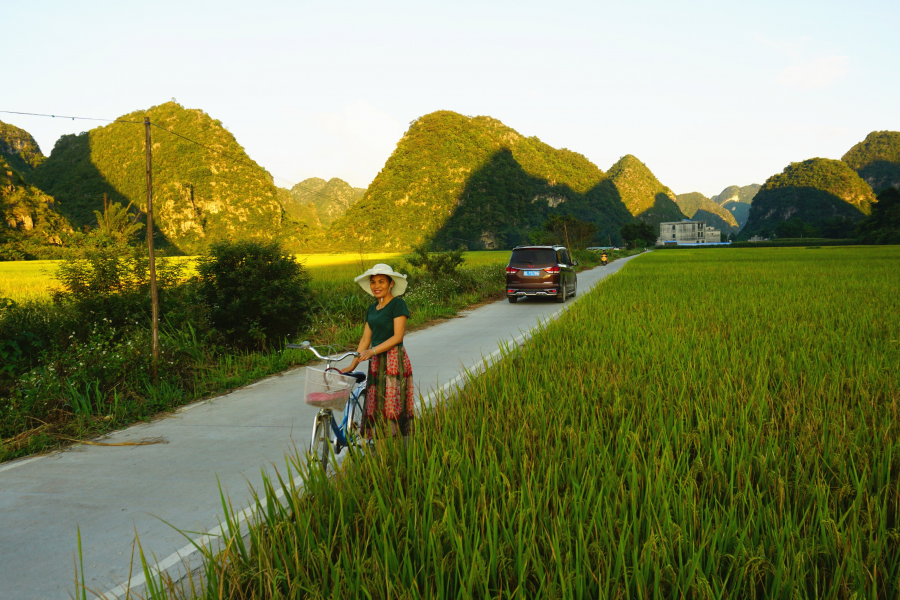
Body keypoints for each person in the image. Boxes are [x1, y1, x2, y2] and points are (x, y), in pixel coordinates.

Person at [342, 263, 415, 439]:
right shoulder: (372, 309)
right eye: (373, 282)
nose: (376, 286)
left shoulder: (398, 304)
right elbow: (365, 339)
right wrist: (352, 364)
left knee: (392, 404)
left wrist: (372, 351)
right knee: (377, 403)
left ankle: (395, 450)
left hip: (393, 360)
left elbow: (398, 337)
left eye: (381, 281)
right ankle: (381, 451)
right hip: (376, 362)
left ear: (391, 284)